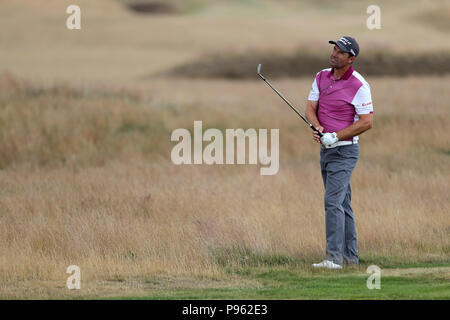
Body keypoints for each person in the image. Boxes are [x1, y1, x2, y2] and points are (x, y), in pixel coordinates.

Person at [305, 36, 374, 269]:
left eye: (340, 52)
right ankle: (350, 259)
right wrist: (318, 127)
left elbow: (366, 122)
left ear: (351, 58)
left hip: (345, 151)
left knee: (332, 202)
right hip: (326, 151)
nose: (334, 54)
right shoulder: (321, 76)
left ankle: (333, 259)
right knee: (342, 203)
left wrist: (335, 136)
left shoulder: (359, 85)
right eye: (334, 49)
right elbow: (310, 108)